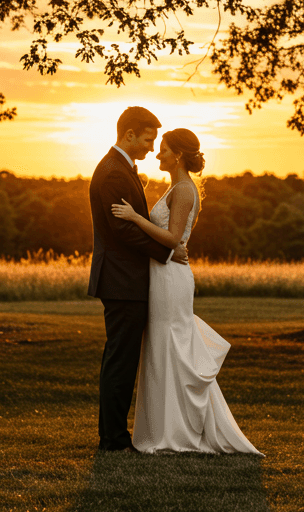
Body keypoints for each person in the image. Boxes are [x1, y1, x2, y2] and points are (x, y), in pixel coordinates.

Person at [111, 127, 262, 455]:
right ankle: (163, 428)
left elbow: (173, 239)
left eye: (162, 149)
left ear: (177, 154)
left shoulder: (184, 190)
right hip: (163, 273)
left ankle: (180, 431)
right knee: (162, 346)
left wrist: (136, 218)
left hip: (171, 276)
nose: (157, 154)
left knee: (172, 345)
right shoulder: (175, 187)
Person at [88, 107, 190, 452]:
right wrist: (167, 252)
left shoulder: (120, 168)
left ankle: (113, 435)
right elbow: (122, 230)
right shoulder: (114, 172)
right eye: (147, 139)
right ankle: (114, 440)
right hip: (122, 280)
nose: (150, 148)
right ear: (129, 134)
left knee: (121, 358)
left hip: (125, 279)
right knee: (121, 359)